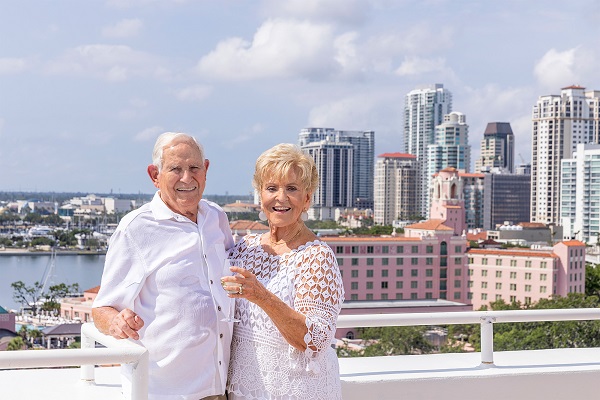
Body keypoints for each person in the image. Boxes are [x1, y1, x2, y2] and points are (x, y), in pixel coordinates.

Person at [92, 132, 234, 400]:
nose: (186, 178)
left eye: (194, 168)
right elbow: (101, 308)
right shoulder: (136, 229)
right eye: (175, 169)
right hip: (168, 393)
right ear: (154, 175)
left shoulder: (217, 218)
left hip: (223, 387)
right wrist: (116, 322)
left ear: (206, 170)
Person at [222, 143, 345, 399]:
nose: (280, 198)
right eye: (271, 188)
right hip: (244, 390)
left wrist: (263, 297)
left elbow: (316, 340)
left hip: (297, 391)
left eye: (291, 189)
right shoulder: (244, 248)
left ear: (307, 198)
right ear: (260, 196)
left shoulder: (317, 257)